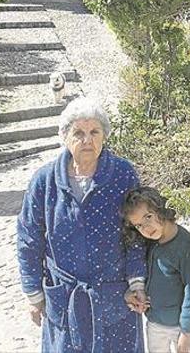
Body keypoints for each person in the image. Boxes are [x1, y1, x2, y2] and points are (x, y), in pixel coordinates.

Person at [17, 97, 149, 353]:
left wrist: (137, 282)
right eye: (78, 132)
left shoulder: (123, 174)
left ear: (104, 136)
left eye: (94, 132)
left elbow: (137, 232)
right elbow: (28, 239)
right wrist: (33, 294)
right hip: (65, 300)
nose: (87, 140)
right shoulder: (44, 181)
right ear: (64, 136)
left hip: (115, 298)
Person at [123, 187, 190, 353]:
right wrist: (135, 292)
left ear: (160, 207)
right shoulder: (150, 241)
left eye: (149, 217)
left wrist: (186, 332)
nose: (146, 227)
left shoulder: (185, 244)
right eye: (138, 225)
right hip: (155, 322)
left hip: (181, 326)